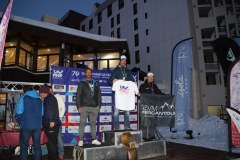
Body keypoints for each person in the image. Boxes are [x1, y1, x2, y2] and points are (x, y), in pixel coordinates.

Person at [109, 55, 137, 131]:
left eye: (125, 60)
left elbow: (132, 81)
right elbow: (109, 81)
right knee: (116, 111)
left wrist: (135, 87)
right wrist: (113, 81)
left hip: (127, 95)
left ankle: (127, 126)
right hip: (119, 96)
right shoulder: (115, 70)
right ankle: (117, 127)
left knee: (127, 111)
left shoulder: (128, 71)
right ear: (120, 61)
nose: (124, 61)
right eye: (122, 60)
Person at [15, 86, 43, 160]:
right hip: (37, 126)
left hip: (26, 125)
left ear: (25, 91)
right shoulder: (40, 99)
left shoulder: (23, 98)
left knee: (24, 146)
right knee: (37, 146)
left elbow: (18, 112)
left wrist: (20, 122)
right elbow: (42, 113)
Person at [76, 68, 101, 147]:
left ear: (91, 73)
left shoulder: (96, 82)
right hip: (84, 106)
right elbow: (78, 95)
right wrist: (79, 106)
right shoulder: (82, 83)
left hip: (94, 106)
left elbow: (99, 94)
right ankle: (81, 139)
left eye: (90, 72)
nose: (89, 73)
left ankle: (94, 139)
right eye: (87, 72)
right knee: (82, 123)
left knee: (93, 123)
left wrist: (99, 105)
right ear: (85, 73)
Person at [139, 72, 164, 141]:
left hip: (153, 106)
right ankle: (144, 137)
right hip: (145, 106)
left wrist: (168, 96)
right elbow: (140, 95)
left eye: (152, 77)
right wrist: (150, 94)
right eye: (149, 77)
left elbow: (160, 93)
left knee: (153, 121)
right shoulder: (143, 86)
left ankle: (152, 136)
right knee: (144, 121)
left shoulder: (155, 86)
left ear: (153, 78)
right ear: (147, 78)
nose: (151, 78)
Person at [39, 85, 61, 160]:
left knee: (51, 143)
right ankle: (52, 157)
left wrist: (52, 121)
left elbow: (51, 110)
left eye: (40, 93)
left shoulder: (49, 98)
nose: (39, 95)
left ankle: (53, 158)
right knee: (51, 143)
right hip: (51, 124)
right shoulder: (49, 98)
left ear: (43, 93)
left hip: (51, 124)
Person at [49, 86, 66, 160]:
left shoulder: (58, 96)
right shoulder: (47, 98)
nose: (49, 91)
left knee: (59, 138)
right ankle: (53, 154)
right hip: (48, 122)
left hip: (57, 121)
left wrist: (59, 118)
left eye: (50, 90)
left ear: (52, 90)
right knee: (51, 139)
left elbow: (63, 108)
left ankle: (61, 154)